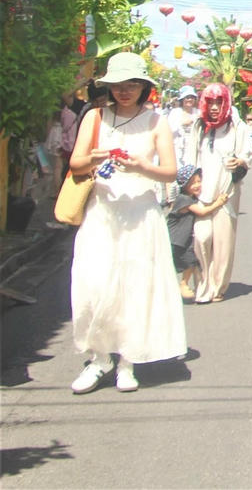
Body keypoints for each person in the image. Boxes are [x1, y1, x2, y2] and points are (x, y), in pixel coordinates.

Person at [67, 52, 185, 394]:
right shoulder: (95, 117)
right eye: (118, 84)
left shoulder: (156, 122)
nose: (124, 91)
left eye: (132, 84)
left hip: (140, 213)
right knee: (93, 285)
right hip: (101, 211)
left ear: (144, 87)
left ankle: (127, 362)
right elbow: (75, 164)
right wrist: (95, 157)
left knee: (134, 289)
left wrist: (140, 167)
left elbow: (170, 171)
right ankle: (98, 357)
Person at [185, 83, 251, 304]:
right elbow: (189, 158)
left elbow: (246, 155)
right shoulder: (199, 126)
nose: (214, 107)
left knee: (223, 244)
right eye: (210, 102)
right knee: (201, 238)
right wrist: (186, 189)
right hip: (201, 192)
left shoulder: (236, 126)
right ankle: (202, 283)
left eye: (219, 102)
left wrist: (239, 161)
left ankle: (217, 287)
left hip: (227, 193)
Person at [167, 164, 229, 300]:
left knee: (189, 260)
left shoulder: (190, 197)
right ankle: (182, 284)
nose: (197, 185)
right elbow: (202, 212)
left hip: (183, 238)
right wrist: (218, 203)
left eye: (198, 181)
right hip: (176, 238)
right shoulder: (184, 199)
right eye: (192, 183)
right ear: (184, 185)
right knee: (186, 261)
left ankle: (181, 284)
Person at [168, 85, 200, 162]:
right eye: (187, 97)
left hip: (194, 148)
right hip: (177, 148)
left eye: (192, 97)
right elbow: (169, 130)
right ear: (182, 99)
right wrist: (182, 124)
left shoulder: (198, 113)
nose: (189, 99)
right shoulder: (175, 112)